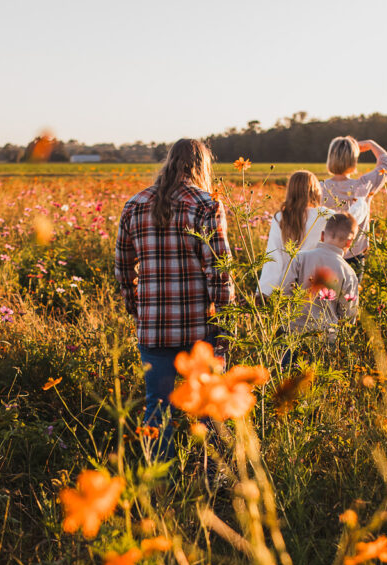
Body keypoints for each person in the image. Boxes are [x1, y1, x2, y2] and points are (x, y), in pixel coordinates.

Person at [114, 138, 235, 452]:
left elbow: (122, 268)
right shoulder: (207, 204)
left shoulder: (135, 205)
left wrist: (138, 309)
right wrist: (226, 322)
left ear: (169, 162)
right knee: (209, 405)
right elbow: (219, 269)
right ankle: (211, 478)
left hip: (154, 327)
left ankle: (159, 485)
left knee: (157, 405)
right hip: (201, 328)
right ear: (201, 167)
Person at [319, 137, 387, 272]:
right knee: (351, 293)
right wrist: (371, 144)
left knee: (325, 293)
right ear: (354, 160)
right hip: (354, 256)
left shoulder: (318, 188)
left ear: (330, 158)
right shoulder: (364, 185)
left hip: (325, 256)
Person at [258, 170, 332, 295]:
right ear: (315, 190)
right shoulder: (324, 215)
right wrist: (362, 201)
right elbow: (349, 221)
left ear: (290, 191)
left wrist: (264, 292)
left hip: (286, 286)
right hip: (315, 285)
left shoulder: (281, 217)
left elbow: (273, 257)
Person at [290, 212, 360, 338]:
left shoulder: (299, 258)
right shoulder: (348, 273)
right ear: (349, 243)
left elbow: (284, 292)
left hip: (293, 332)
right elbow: (349, 315)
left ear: (322, 236)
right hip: (325, 338)